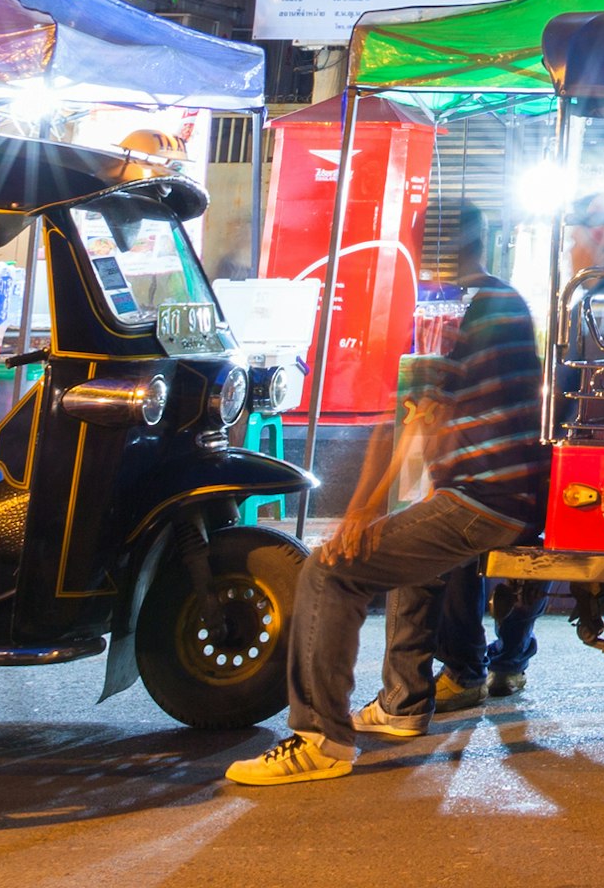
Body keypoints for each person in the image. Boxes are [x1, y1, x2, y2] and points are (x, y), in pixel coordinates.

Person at [228, 201, 542, 786]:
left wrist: (361, 510)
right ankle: (403, 705)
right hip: (509, 494)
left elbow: (405, 417)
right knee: (405, 556)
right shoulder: (505, 299)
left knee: (330, 568)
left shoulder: (451, 309)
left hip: (483, 499)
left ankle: (319, 739)